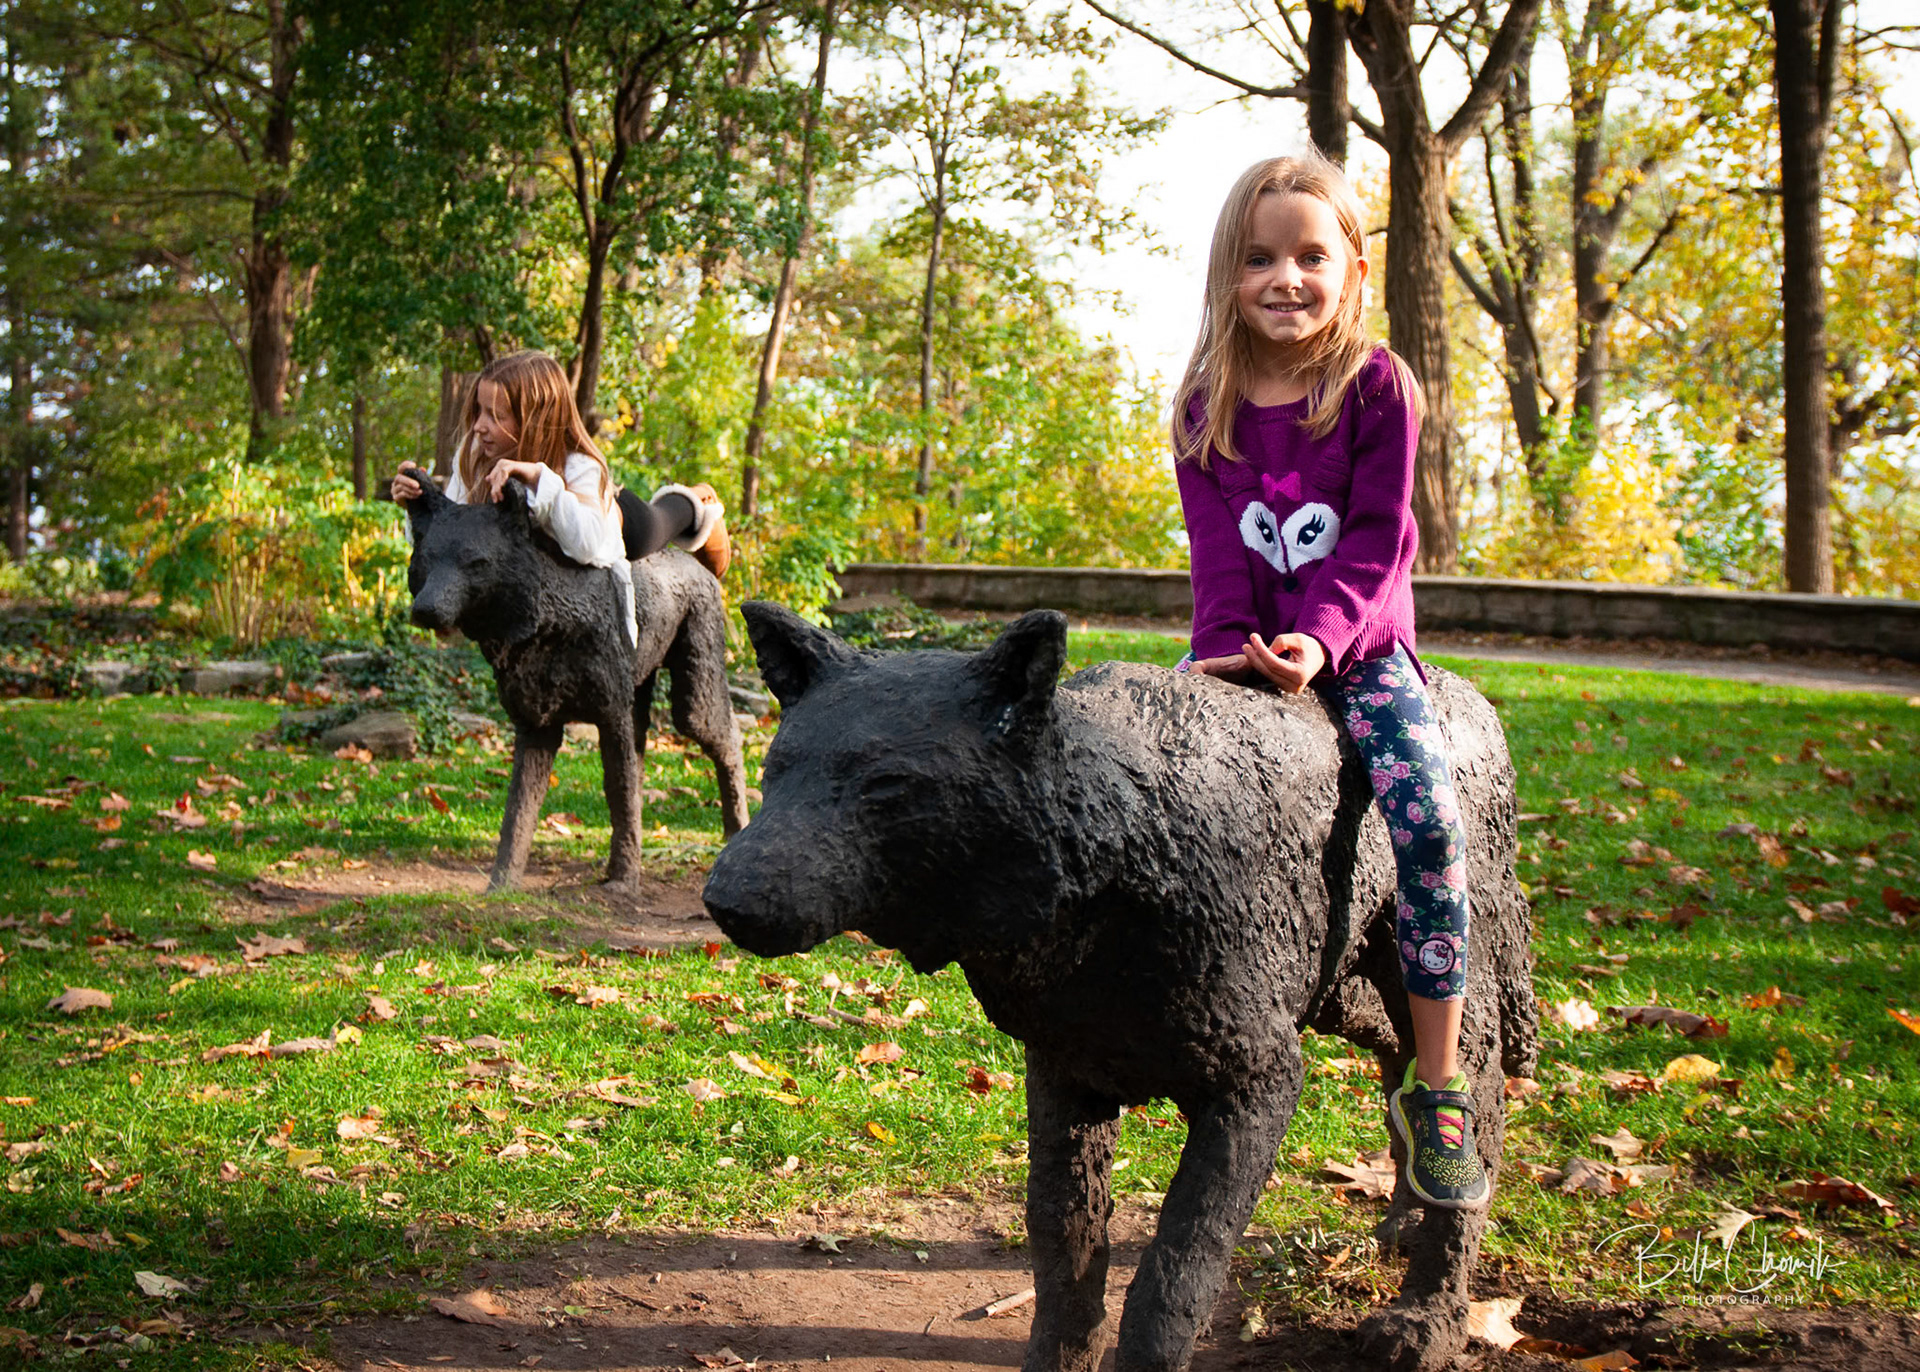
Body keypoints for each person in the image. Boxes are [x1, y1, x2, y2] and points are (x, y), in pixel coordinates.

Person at [1170, 151, 1488, 1209]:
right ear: (1229, 271)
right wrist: (1225, 645)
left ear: (1355, 266)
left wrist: (1316, 641)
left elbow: (1375, 537)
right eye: (1259, 258)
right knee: (1153, 795)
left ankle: (1438, 1084)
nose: (1285, 279)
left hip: (1359, 651)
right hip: (1237, 645)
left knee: (1430, 821)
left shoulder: (1376, 386)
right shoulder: (1203, 402)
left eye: (1311, 256)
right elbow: (1215, 550)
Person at [390, 350, 731, 648]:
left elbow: (589, 547)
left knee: (662, 521)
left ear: (535, 418)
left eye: (496, 415)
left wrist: (540, 479)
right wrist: (417, 504)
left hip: (617, 523)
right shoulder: (474, 454)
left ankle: (698, 500)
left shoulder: (580, 466)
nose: (479, 426)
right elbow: (458, 532)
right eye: (479, 410)